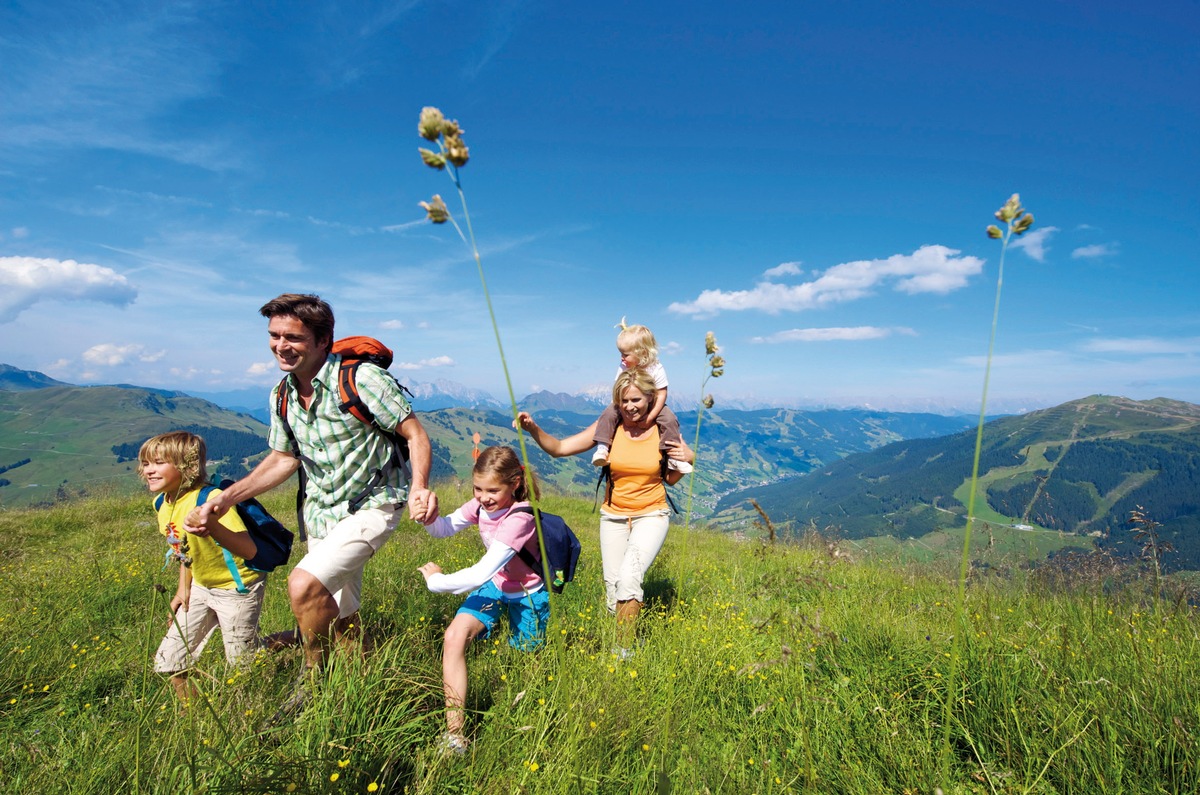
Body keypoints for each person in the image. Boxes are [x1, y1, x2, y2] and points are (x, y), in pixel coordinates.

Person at [186, 293, 438, 723]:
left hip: (374, 504)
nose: (281, 345)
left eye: (294, 337)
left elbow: (415, 434)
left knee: (303, 586)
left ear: (323, 341)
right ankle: (362, 692)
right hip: (321, 514)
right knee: (341, 613)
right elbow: (285, 459)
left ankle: (312, 682)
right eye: (274, 335)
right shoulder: (281, 395)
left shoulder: (362, 381)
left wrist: (419, 487)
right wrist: (222, 499)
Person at [516, 369, 694, 658]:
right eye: (623, 401)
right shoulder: (609, 427)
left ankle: (623, 652)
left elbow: (671, 478)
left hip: (652, 513)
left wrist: (690, 457)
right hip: (613, 517)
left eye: (636, 399)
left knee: (629, 578)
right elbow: (560, 449)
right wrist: (533, 429)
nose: (630, 406)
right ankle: (626, 639)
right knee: (613, 590)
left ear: (651, 398)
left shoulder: (664, 430)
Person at [417, 446, 548, 755]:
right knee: (454, 636)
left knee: (523, 663)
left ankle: (520, 718)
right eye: (477, 488)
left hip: (528, 594)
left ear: (514, 484)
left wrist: (437, 582)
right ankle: (454, 735)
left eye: (492, 490)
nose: (483, 497)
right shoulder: (481, 506)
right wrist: (427, 516)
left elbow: (480, 572)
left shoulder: (521, 518)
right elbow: (444, 528)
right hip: (495, 586)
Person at [139, 431, 264, 704]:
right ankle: (193, 716)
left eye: (158, 462)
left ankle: (288, 644)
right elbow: (184, 551)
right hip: (200, 588)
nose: (148, 470)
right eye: (146, 463)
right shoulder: (162, 502)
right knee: (169, 662)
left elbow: (249, 550)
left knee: (243, 668)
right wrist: (183, 589)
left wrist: (213, 527)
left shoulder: (212, 500)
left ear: (187, 465)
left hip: (236, 588)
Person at [591, 321, 689, 474]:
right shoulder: (624, 366)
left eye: (625, 354)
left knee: (669, 419)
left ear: (642, 352)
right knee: (608, 413)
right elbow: (618, 390)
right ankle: (602, 448)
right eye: (621, 354)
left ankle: (673, 456)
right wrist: (620, 410)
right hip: (627, 401)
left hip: (654, 403)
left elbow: (662, 394)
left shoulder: (656, 368)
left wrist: (651, 416)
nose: (622, 358)